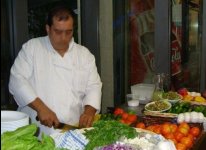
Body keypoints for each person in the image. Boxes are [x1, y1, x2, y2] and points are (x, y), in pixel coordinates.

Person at [8, 4, 102, 136]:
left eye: (68, 32)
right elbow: (17, 80)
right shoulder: (32, 48)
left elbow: (93, 86)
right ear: (48, 29)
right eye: (58, 32)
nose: (63, 38)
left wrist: (89, 111)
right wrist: (41, 108)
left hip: (72, 129)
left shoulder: (84, 55)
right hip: (37, 131)